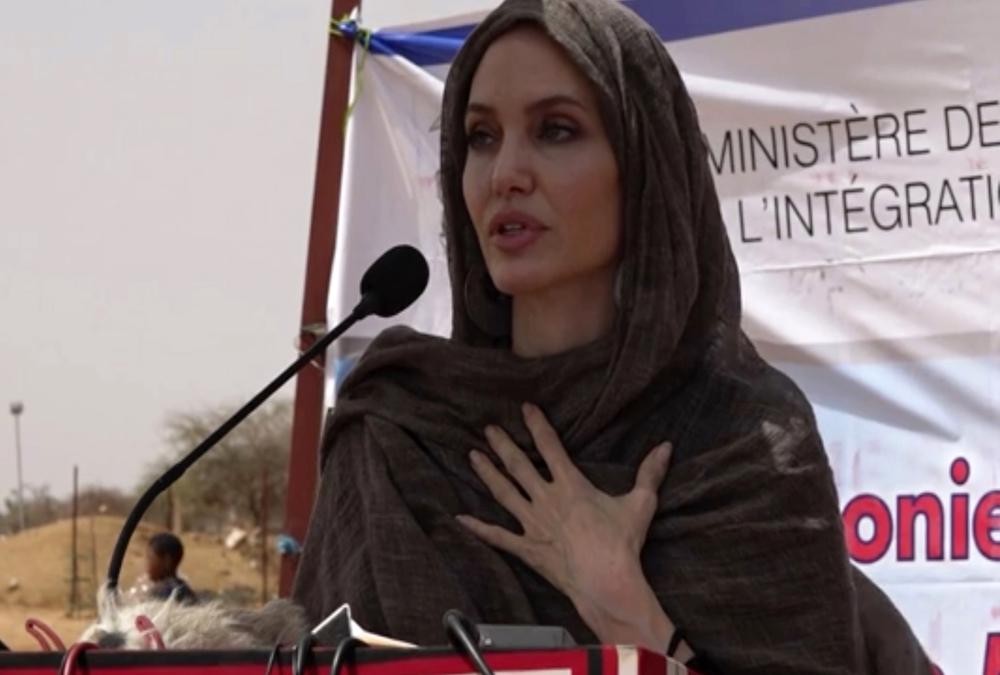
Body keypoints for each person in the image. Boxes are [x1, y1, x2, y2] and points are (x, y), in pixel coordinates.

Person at [293, 0, 933, 672]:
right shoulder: (398, 431)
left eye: (556, 130)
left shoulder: (745, 445)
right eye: (481, 136)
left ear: (644, 167)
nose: (506, 171)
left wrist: (627, 608)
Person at [141, 532, 197, 604]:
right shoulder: (184, 587)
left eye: (150, 558)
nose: (147, 564)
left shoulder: (161, 591)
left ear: (167, 561)